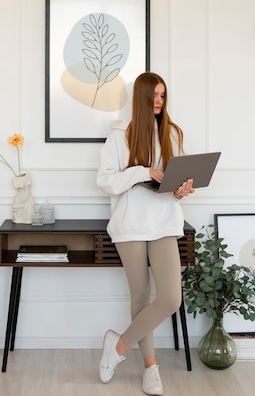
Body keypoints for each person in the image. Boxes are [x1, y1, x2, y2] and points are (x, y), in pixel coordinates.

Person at [96, 72, 194, 395]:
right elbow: (106, 180)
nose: (159, 101)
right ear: (140, 97)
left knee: (169, 298)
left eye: (163, 96)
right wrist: (142, 172)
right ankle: (151, 368)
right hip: (130, 225)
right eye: (154, 95)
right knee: (140, 297)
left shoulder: (172, 133)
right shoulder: (120, 135)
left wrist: (181, 190)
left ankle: (119, 346)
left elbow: (175, 184)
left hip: (164, 221)